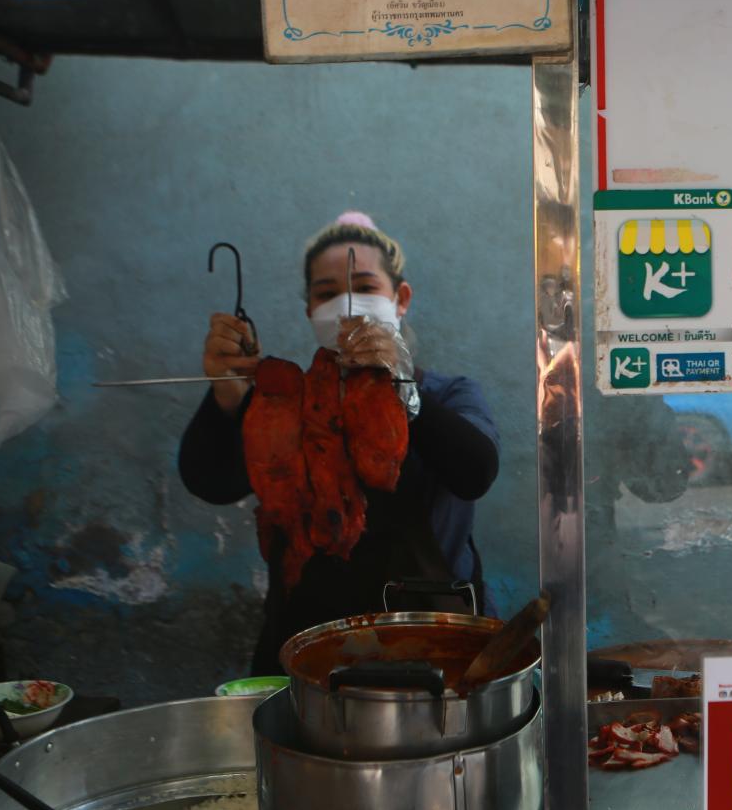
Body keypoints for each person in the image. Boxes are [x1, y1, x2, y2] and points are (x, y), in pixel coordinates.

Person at [178, 212, 500, 675]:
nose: (346, 305)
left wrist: (403, 386)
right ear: (309, 308)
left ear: (400, 298)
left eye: (366, 287)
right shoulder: (287, 400)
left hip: (432, 648)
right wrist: (229, 395)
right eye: (326, 294)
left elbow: (476, 471)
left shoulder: (448, 393)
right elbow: (211, 482)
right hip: (307, 652)